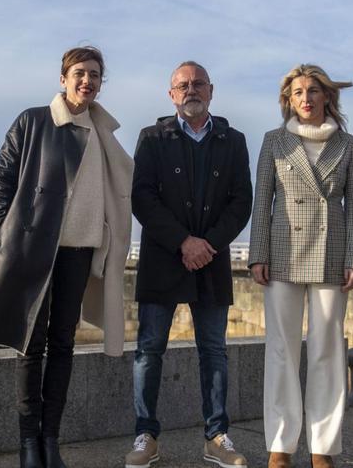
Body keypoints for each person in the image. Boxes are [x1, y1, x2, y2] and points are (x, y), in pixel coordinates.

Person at [0, 46, 134, 468]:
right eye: (80, 73)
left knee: (63, 343)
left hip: (80, 251)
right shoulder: (34, 121)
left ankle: (50, 439)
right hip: (35, 249)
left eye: (96, 75)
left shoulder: (102, 131)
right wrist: (5, 234)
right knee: (31, 344)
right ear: (62, 79)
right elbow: (1, 178)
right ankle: (29, 442)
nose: (88, 81)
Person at [126, 61, 252, 468]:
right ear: (171, 94)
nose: (191, 90)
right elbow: (142, 198)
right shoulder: (151, 138)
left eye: (198, 84)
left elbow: (241, 202)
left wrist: (207, 244)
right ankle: (146, 436)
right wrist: (183, 241)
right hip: (163, 257)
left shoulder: (233, 140)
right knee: (149, 350)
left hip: (211, 261)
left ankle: (217, 436)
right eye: (182, 85)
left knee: (214, 350)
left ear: (211, 91)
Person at [248, 64, 353, 468]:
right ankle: (280, 445)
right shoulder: (274, 142)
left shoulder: (348, 145)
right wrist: (257, 253)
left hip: (332, 252)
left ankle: (323, 448)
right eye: (298, 92)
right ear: (289, 100)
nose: (306, 98)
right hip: (282, 251)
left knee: (328, 351)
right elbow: (262, 201)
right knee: (280, 350)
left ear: (327, 96)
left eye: (313, 91)